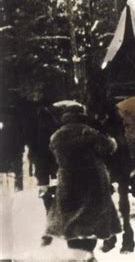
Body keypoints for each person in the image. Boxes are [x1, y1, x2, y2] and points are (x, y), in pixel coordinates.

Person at [44, 107, 121, 261]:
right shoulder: (88, 132)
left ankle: (78, 255)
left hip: (68, 179)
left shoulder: (56, 136)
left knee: (71, 218)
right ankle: (89, 255)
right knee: (92, 217)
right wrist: (111, 139)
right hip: (92, 178)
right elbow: (108, 147)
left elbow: (51, 158)